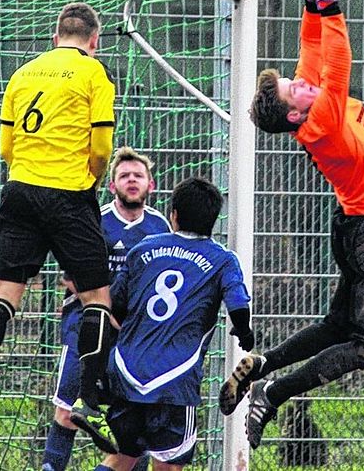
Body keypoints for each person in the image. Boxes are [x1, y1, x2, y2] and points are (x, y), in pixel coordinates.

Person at [218, 0, 364, 450]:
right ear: (296, 115)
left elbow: (313, 50)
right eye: (293, 89)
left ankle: (263, 364)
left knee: (336, 325)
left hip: (356, 227)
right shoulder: (320, 120)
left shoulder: (310, 106)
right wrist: (333, 3)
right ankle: (274, 394)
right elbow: (338, 59)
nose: (301, 81)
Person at [0, 2, 122, 453]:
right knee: (96, 300)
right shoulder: (94, 74)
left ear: (55, 36)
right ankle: (85, 397)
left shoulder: (23, 74)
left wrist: (27, 170)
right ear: (94, 40)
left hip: (20, 189)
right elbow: (101, 145)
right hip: (69, 193)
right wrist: (90, 179)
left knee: (4, 295)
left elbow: (6, 144)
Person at [95, 177, 254, 470]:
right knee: (167, 464)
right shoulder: (222, 259)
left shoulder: (143, 249)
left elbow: (113, 306)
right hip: (174, 381)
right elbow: (238, 305)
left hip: (126, 372)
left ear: (174, 215)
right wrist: (243, 332)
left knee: (124, 456)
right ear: (213, 220)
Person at [44, 147, 171, 471]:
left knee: (134, 423)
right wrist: (106, 309)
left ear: (150, 185)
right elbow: (70, 279)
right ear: (112, 186)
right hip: (88, 326)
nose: (131, 180)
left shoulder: (159, 229)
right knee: (67, 412)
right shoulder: (95, 221)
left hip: (134, 337)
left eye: (137, 176)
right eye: (124, 176)